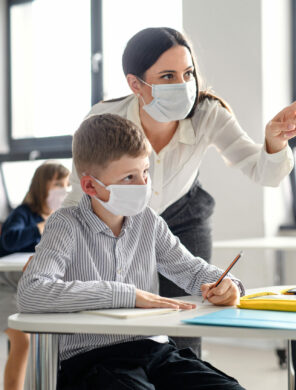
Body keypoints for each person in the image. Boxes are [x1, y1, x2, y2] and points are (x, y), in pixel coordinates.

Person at [63, 27, 296, 355]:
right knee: (122, 316)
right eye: (167, 76)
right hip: (118, 218)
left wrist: (275, 141)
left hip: (184, 214)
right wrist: (52, 245)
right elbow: (78, 190)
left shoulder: (208, 112)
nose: (182, 85)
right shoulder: (103, 118)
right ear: (135, 84)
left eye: (188, 73)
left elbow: (262, 171)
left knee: (187, 315)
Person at [17, 114, 245, 390]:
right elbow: (32, 293)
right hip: (91, 359)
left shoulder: (147, 221)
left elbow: (192, 270)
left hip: (157, 351)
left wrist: (227, 285)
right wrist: (127, 295)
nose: (143, 185)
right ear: (90, 186)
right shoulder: (66, 225)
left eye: (145, 172)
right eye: (128, 177)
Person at [0, 161, 69, 390]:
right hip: (7, 287)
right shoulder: (24, 214)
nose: (63, 189)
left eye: (67, 184)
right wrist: (42, 226)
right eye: (58, 183)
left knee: (52, 342)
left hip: (35, 288)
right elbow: (9, 240)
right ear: (42, 186)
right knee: (23, 342)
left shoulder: (61, 218)